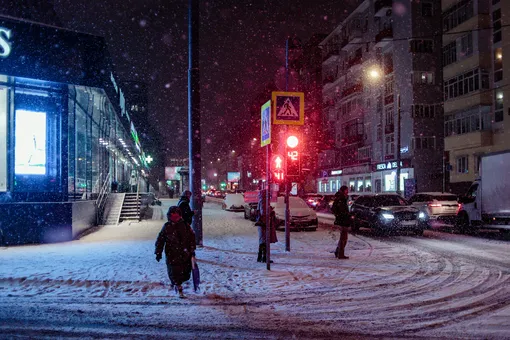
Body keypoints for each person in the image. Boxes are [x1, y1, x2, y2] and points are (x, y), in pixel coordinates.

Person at [155, 206, 196, 298]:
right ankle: (178, 286)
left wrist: (192, 249)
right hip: (171, 254)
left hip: (184, 253)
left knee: (185, 272)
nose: (174, 218)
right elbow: (160, 239)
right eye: (172, 216)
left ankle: (178, 283)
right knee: (174, 272)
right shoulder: (167, 226)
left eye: (176, 216)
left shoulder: (185, 225)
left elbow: (191, 238)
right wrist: (158, 252)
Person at [255, 189, 277, 263]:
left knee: (263, 240)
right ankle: (264, 257)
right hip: (264, 224)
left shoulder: (261, 200)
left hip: (262, 224)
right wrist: (270, 212)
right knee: (265, 240)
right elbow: (264, 212)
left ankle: (260, 257)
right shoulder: (264, 201)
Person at [331, 185, 351, 259]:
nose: (347, 192)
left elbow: (334, 209)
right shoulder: (341, 199)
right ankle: (340, 254)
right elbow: (338, 209)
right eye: (346, 190)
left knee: (343, 238)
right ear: (343, 191)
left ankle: (338, 252)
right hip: (343, 220)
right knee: (344, 238)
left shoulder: (340, 198)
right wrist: (342, 215)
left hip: (342, 220)